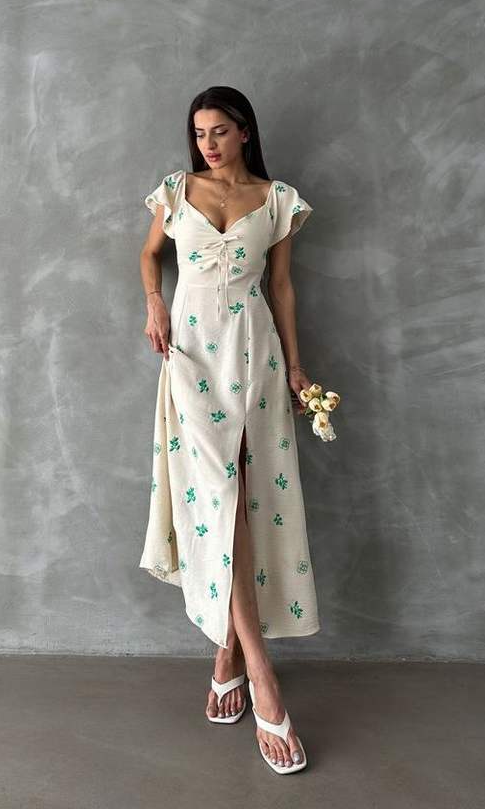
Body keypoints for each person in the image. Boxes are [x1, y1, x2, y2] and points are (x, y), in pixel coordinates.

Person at [138, 86, 320, 774]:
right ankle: (260, 675)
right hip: (190, 357)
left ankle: (226, 653)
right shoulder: (175, 191)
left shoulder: (277, 201)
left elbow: (282, 287)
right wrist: (154, 301)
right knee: (215, 499)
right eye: (198, 133)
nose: (207, 144)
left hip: (254, 355)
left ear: (244, 132)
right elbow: (149, 255)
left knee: (244, 501)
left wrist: (297, 367)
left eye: (219, 131)